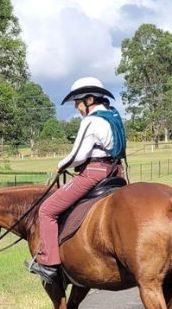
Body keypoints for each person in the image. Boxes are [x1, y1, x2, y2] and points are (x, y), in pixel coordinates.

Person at [27, 77, 127, 285]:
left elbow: (78, 156)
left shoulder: (91, 120)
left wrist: (61, 165)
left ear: (89, 99)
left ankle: (50, 263)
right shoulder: (114, 116)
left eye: (77, 101)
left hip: (94, 172)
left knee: (46, 210)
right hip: (116, 172)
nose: (76, 106)